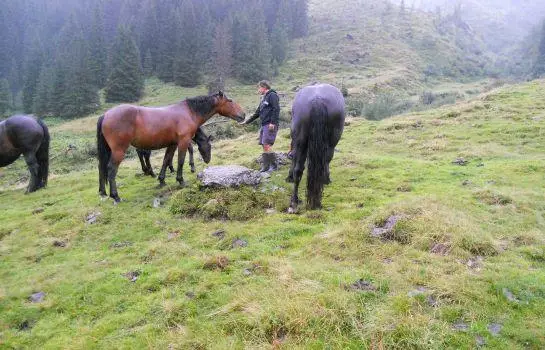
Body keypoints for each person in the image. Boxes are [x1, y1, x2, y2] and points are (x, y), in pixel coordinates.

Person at [240, 80, 280, 172]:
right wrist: (246, 122)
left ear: (264, 87)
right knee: (263, 144)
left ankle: (274, 166)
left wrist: (272, 123)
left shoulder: (272, 95)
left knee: (266, 144)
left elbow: (276, 109)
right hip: (264, 124)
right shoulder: (263, 98)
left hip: (270, 124)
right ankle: (266, 167)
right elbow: (257, 113)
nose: (258, 90)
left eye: (259, 87)